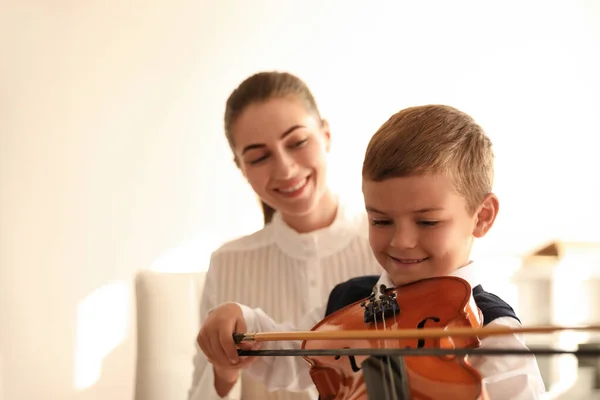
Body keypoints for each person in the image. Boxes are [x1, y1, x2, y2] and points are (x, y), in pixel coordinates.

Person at [197, 104, 547, 399]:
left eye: (427, 223)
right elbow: (288, 355)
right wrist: (240, 320)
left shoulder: (492, 331)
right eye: (381, 221)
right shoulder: (348, 303)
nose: (401, 242)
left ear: (481, 217)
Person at [187, 71, 382, 400]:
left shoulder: (392, 245)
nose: (286, 169)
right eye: (260, 156)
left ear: (326, 134)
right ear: (241, 166)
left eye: (297, 142)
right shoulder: (227, 263)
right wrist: (224, 368)